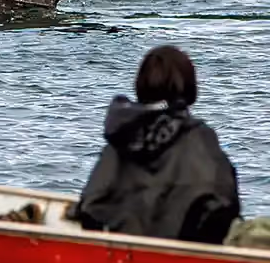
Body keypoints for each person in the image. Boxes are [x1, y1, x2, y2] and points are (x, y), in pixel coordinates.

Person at [71, 44, 242, 244]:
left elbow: (91, 207)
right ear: (190, 87)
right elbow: (224, 206)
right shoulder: (199, 137)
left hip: (121, 253)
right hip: (184, 255)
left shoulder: (122, 136)